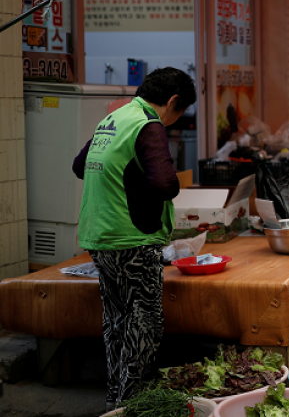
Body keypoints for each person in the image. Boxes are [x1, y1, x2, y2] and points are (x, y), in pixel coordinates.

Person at [72, 67, 197, 411]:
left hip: (99, 236)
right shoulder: (148, 123)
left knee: (117, 321)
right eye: (179, 111)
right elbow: (165, 184)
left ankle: (115, 400)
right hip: (132, 239)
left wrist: (129, 173)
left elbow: (80, 165)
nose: (174, 119)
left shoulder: (114, 119)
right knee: (144, 323)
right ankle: (131, 405)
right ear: (172, 101)